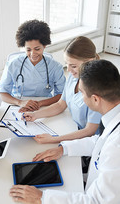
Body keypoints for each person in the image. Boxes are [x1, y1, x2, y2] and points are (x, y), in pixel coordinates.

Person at [10, 59, 120, 204]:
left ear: (95, 99)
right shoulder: (113, 119)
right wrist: (64, 148)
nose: (80, 96)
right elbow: (100, 141)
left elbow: (96, 202)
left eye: (81, 92)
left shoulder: (116, 147)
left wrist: (43, 198)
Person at [23, 36, 102, 144]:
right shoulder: (73, 77)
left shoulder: (98, 89)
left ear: (89, 61)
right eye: (67, 64)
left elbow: (89, 131)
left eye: (73, 66)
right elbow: (61, 105)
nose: (68, 70)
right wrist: (36, 115)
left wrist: (54, 139)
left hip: (88, 141)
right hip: (71, 127)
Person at [0, 20, 66, 112]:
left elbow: (62, 94)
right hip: (18, 104)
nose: (33, 54)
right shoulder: (13, 64)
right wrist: (20, 102)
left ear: (44, 46)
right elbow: (2, 92)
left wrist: (39, 104)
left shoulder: (55, 67)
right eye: (28, 49)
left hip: (45, 105)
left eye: (37, 49)